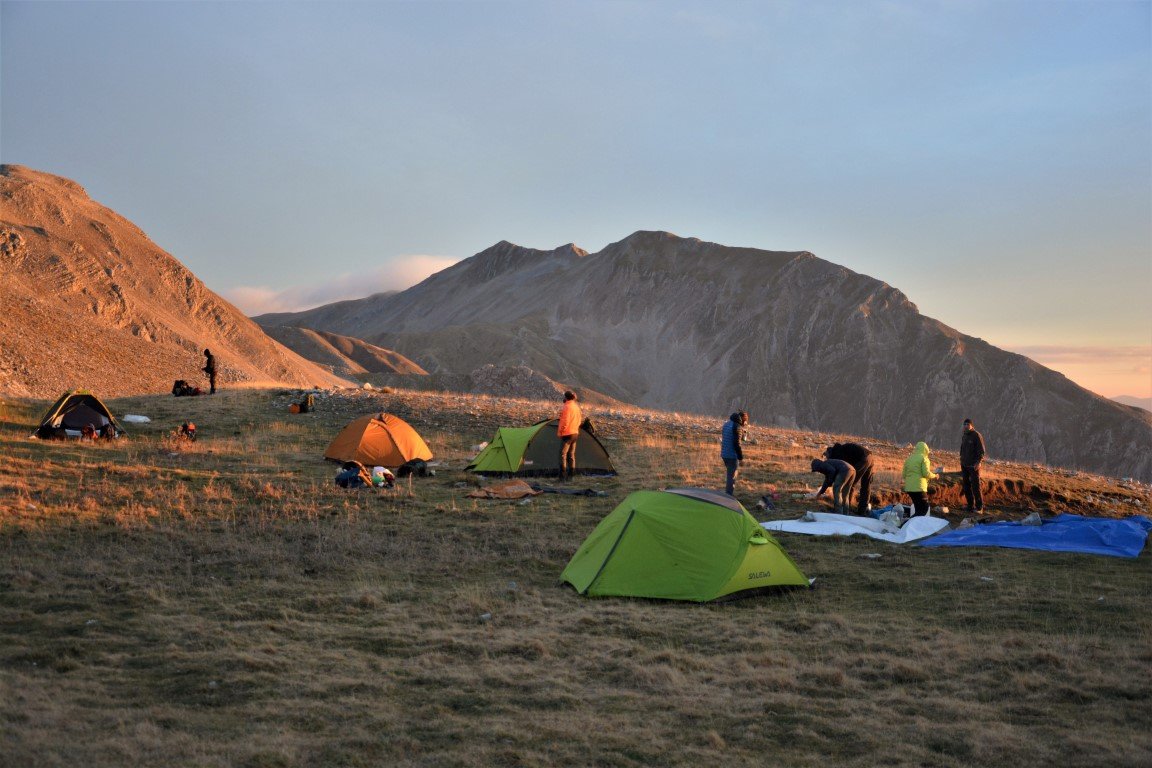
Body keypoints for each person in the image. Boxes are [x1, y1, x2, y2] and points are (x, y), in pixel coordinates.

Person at [825, 442, 875, 515]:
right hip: (870, 457)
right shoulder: (842, 449)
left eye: (827, 457)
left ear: (830, 454)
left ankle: (846, 509)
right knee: (866, 485)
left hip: (862, 459)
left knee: (850, 483)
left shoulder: (838, 454)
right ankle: (862, 510)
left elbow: (845, 472)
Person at [902, 441, 938, 517]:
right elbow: (926, 473)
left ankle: (911, 525)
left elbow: (904, 475)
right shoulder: (924, 458)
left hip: (909, 488)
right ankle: (907, 525)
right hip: (919, 487)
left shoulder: (909, 459)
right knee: (924, 508)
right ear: (926, 450)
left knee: (918, 509)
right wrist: (935, 475)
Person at [959, 418, 986, 514]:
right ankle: (970, 506)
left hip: (973, 466)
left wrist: (978, 462)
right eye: (964, 424)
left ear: (971, 425)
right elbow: (962, 449)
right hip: (965, 465)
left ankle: (979, 508)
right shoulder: (965, 435)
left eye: (968, 424)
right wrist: (961, 460)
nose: (966, 426)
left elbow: (981, 451)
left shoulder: (976, 435)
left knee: (975, 486)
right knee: (966, 486)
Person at [720, 411, 748, 496]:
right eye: (745, 421)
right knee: (732, 478)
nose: (745, 423)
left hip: (724, 454)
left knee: (730, 475)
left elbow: (729, 437)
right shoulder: (737, 427)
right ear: (742, 420)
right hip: (732, 455)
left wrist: (742, 433)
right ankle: (728, 497)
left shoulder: (727, 424)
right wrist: (740, 457)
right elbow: (737, 443)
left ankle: (728, 494)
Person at [557, 390, 582, 481]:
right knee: (571, 454)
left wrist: (560, 432)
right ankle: (572, 476)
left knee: (563, 454)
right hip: (575, 433)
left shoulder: (566, 407)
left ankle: (562, 477)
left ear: (566, 397)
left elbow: (565, 422)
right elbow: (579, 420)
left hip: (567, 434)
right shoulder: (576, 407)